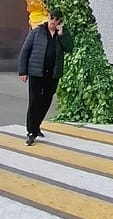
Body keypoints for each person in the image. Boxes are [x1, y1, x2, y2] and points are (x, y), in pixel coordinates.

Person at [18, 8, 73, 146]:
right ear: (48, 17)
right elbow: (25, 51)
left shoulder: (62, 34)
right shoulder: (37, 32)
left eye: (56, 20)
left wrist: (62, 35)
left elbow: (69, 48)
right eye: (51, 18)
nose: (53, 22)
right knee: (34, 101)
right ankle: (31, 132)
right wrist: (23, 71)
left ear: (60, 21)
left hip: (52, 74)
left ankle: (36, 126)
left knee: (46, 101)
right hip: (36, 73)